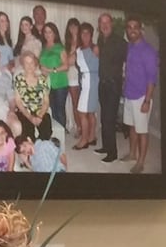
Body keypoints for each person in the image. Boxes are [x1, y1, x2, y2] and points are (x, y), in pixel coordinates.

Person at [121, 16, 157, 174]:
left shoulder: (148, 51)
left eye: (135, 26)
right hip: (129, 94)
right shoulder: (130, 47)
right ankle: (132, 154)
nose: (132, 30)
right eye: (129, 27)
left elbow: (152, 78)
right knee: (132, 127)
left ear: (140, 29)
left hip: (142, 97)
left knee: (142, 130)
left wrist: (147, 101)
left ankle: (141, 162)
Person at [96, 12, 127, 164]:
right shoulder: (100, 40)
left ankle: (112, 153)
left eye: (107, 22)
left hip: (113, 85)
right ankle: (106, 147)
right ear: (99, 25)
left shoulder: (120, 41)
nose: (105, 25)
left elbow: (129, 61)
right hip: (102, 84)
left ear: (112, 24)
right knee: (103, 118)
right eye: (102, 23)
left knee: (109, 119)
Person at [10, 50, 49, 143]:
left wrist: (40, 116)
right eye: (26, 63)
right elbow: (18, 102)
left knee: (46, 132)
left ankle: (40, 151)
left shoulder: (41, 79)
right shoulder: (19, 79)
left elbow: (46, 101)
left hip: (40, 111)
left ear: (35, 64)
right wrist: (30, 117)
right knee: (28, 134)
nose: (29, 65)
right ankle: (31, 151)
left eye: (31, 62)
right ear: (23, 65)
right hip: (24, 112)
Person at [39, 22, 70, 135]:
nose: (47, 34)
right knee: (52, 109)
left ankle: (61, 134)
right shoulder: (43, 48)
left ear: (54, 33)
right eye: (45, 32)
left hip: (60, 83)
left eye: (50, 32)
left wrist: (52, 70)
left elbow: (66, 66)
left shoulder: (60, 47)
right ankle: (57, 133)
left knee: (60, 110)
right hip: (47, 84)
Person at [72, 21, 99, 150]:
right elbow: (70, 62)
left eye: (88, 33)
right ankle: (92, 137)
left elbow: (100, 66)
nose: (85, 35)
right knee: (90, 113)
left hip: (92, 82)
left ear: (91, 34)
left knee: (82, 112)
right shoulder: (78, 50)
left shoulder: (95, 48)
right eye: (83, 33)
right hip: (84, 81)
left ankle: (84, 140)